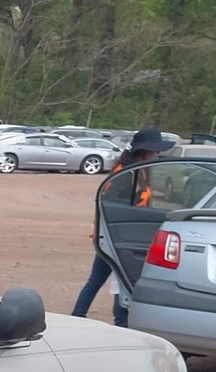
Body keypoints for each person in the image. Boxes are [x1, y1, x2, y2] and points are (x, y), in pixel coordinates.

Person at [71, 127, 168, 326]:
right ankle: (118, 321)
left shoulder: (136, 170)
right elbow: (108, 201)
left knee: (102, 279)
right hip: (117, 235)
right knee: (121, 279)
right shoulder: (126, 174)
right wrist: (103, 228)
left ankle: (79, 316)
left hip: (119, 233)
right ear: (144, 151)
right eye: (155, 150)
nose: (158, 154)